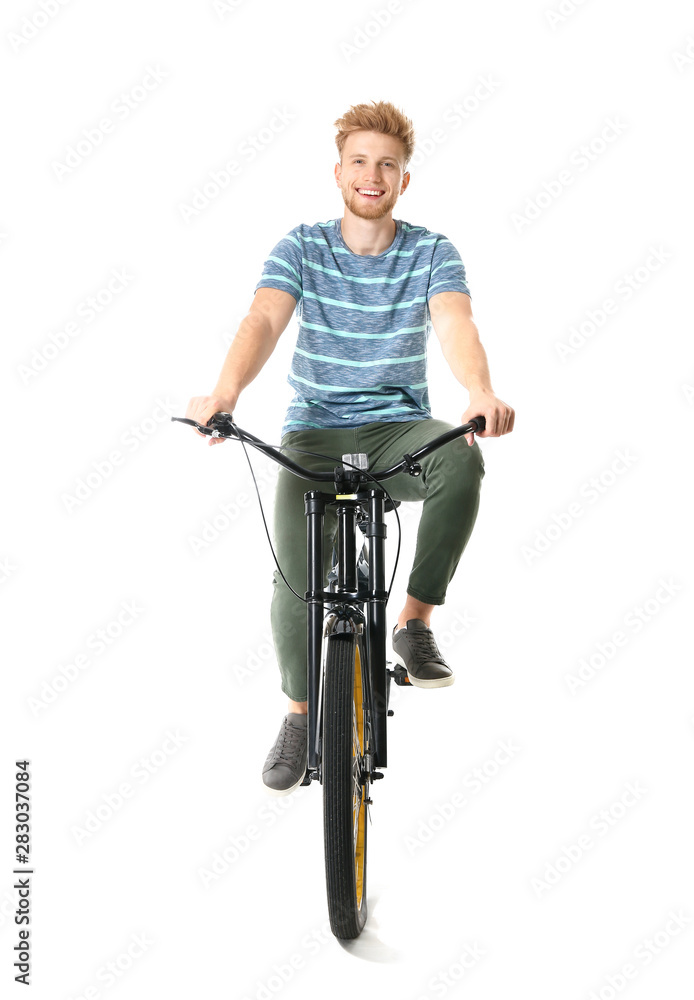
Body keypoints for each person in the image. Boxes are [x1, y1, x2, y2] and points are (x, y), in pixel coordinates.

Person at [186, 99, 514, 796]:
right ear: (338, 173)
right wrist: (224, 393)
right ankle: (301, 714)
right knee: (294, 581)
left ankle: (413, 622)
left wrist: (478, 391)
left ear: (403, 180)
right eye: (360, 162)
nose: (372, 175)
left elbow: (455, 322)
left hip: (397, 427)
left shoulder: (431, 250)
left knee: (459, 459)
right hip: (313, 433)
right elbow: (263, 318)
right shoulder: (302, 245)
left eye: (387, 165)